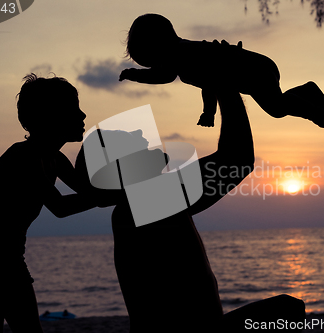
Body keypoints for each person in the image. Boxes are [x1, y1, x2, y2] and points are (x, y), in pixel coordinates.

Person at [76, 91, 305, 332]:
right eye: (128, 140)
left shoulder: (140, 205)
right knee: (287, 309)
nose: (140, 134)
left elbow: (237, 160)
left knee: (286, 309)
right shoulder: (148, 202)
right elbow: (237, 158)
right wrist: (226, 86)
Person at [0, 74, 112, 333]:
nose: (83, 115)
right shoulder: (25, 158)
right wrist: (115, 194)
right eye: (73, 108)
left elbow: (89, 190)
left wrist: (131, 178)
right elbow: (61, 207)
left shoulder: (55, 158)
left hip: (3, 254)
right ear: (51, 117)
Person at [119, 13, 324, 128]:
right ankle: (307, 93)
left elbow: (173, 78)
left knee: (277, 108)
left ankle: (313, 110)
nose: (157, 66)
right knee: (278, 104)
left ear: (157, 46)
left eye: (152, 61)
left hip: (254, 69)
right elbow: (208, 83)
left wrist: (134, 75)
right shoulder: (185, 55)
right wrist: (208, 112)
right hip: (257, 66)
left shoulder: (185, 57)